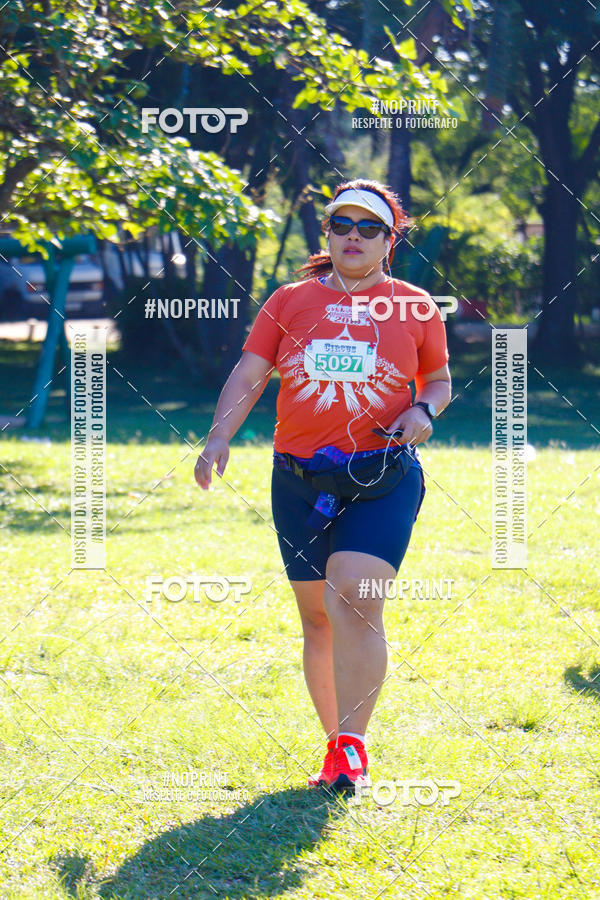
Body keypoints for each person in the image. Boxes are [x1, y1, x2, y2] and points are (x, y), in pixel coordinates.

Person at [194, 179, 451, 792]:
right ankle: (336, 748)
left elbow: (438, 380)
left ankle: (354, 745)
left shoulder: (415, 306)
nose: (354, 236)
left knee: (354, 597)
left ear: (389, 240)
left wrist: (424, 410)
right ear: (328, 234)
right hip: (298, 479)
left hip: (381, 475)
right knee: (317, 619)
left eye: (369, 228)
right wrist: (218, 436)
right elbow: (251, 373)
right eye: (343, 225)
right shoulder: (289, 301)